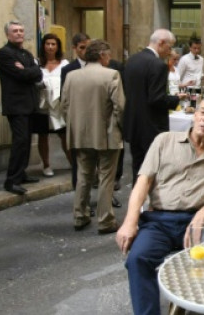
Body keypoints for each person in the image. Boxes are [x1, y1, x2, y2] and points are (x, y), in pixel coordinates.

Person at [116, 97, 204, 315]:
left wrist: (202, 214)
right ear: (194, 115)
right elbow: (143, 181)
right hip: (158, 222)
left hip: (197, 222)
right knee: (138, 259)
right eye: (202, 112)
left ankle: (197, 308)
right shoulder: (164, 141)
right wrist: (130, 221)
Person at [61, 39, 124, 233]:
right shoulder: (111, 74)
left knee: (83, 174)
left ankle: (80, 215)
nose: (109, 59)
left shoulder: (71, 76)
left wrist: (75, 126)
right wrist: (119, 128)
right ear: (102, 55)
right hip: (106, 133)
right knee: (106, 177)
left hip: (80, 134)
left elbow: (64, 105)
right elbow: (120, 107)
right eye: (108, 55)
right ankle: (105, 220)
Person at [123, 29, 184, 183]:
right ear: (161, 43)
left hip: (134, 124)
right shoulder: (158, 65)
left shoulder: (132, 60)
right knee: (153, 171)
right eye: (169, 47)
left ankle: (137, 197)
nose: (170, 52)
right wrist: (175, 99)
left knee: (138, 169)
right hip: (152, 127)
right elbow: (156, 99)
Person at [0, 21, 43, 195]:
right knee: (20, 142)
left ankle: (21, 173)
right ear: (7, 34)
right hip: (16, 105)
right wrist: (30, 70)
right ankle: (12, 180)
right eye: (15, 31)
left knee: (27, 142)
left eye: (21, 30)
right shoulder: (4, 53)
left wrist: (30, 70)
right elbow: (21, 75)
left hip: (29, 104)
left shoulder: (26, 53)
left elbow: (38, 74)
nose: (19, 33)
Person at [34, 33, 69, 177]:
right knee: (43, 135)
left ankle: (72, 162)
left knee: (64, 134)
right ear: (43, 46)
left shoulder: (64, 64)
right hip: (42, 104)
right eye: (47, 44)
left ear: (58, 47)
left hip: (59, 105)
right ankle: (46, 165)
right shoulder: (37, 63)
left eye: (53, 44)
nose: (50, 47)